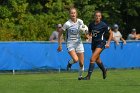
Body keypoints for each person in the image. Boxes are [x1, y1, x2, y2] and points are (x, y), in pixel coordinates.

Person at [81, 10, 113, 80]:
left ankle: (88, 76)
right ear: (94, 17)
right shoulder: (91, 24)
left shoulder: (103, 25)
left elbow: (111, 33)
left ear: (101, 17)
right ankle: (104, 70)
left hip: (101, 43)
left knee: (92, 59)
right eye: (96, 16)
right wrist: (85, 34)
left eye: (99, 16)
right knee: (97, 59)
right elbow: (89, 35)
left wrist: (108, 42)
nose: (97, 17)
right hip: (94, 43)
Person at [57, 7, 85, 80]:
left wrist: (86, 33)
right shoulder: (67, 24)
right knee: (76, 59)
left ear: (76, 14)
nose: (73, 14)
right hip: (70, 43)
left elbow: (84, 30)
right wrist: (59, 45)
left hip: (79, 43)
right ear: (70, 14)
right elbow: (60, 34)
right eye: (71, 13)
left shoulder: (80, 21)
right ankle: (70, 63)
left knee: (81, 63)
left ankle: (80, 76)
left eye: (74, 13)